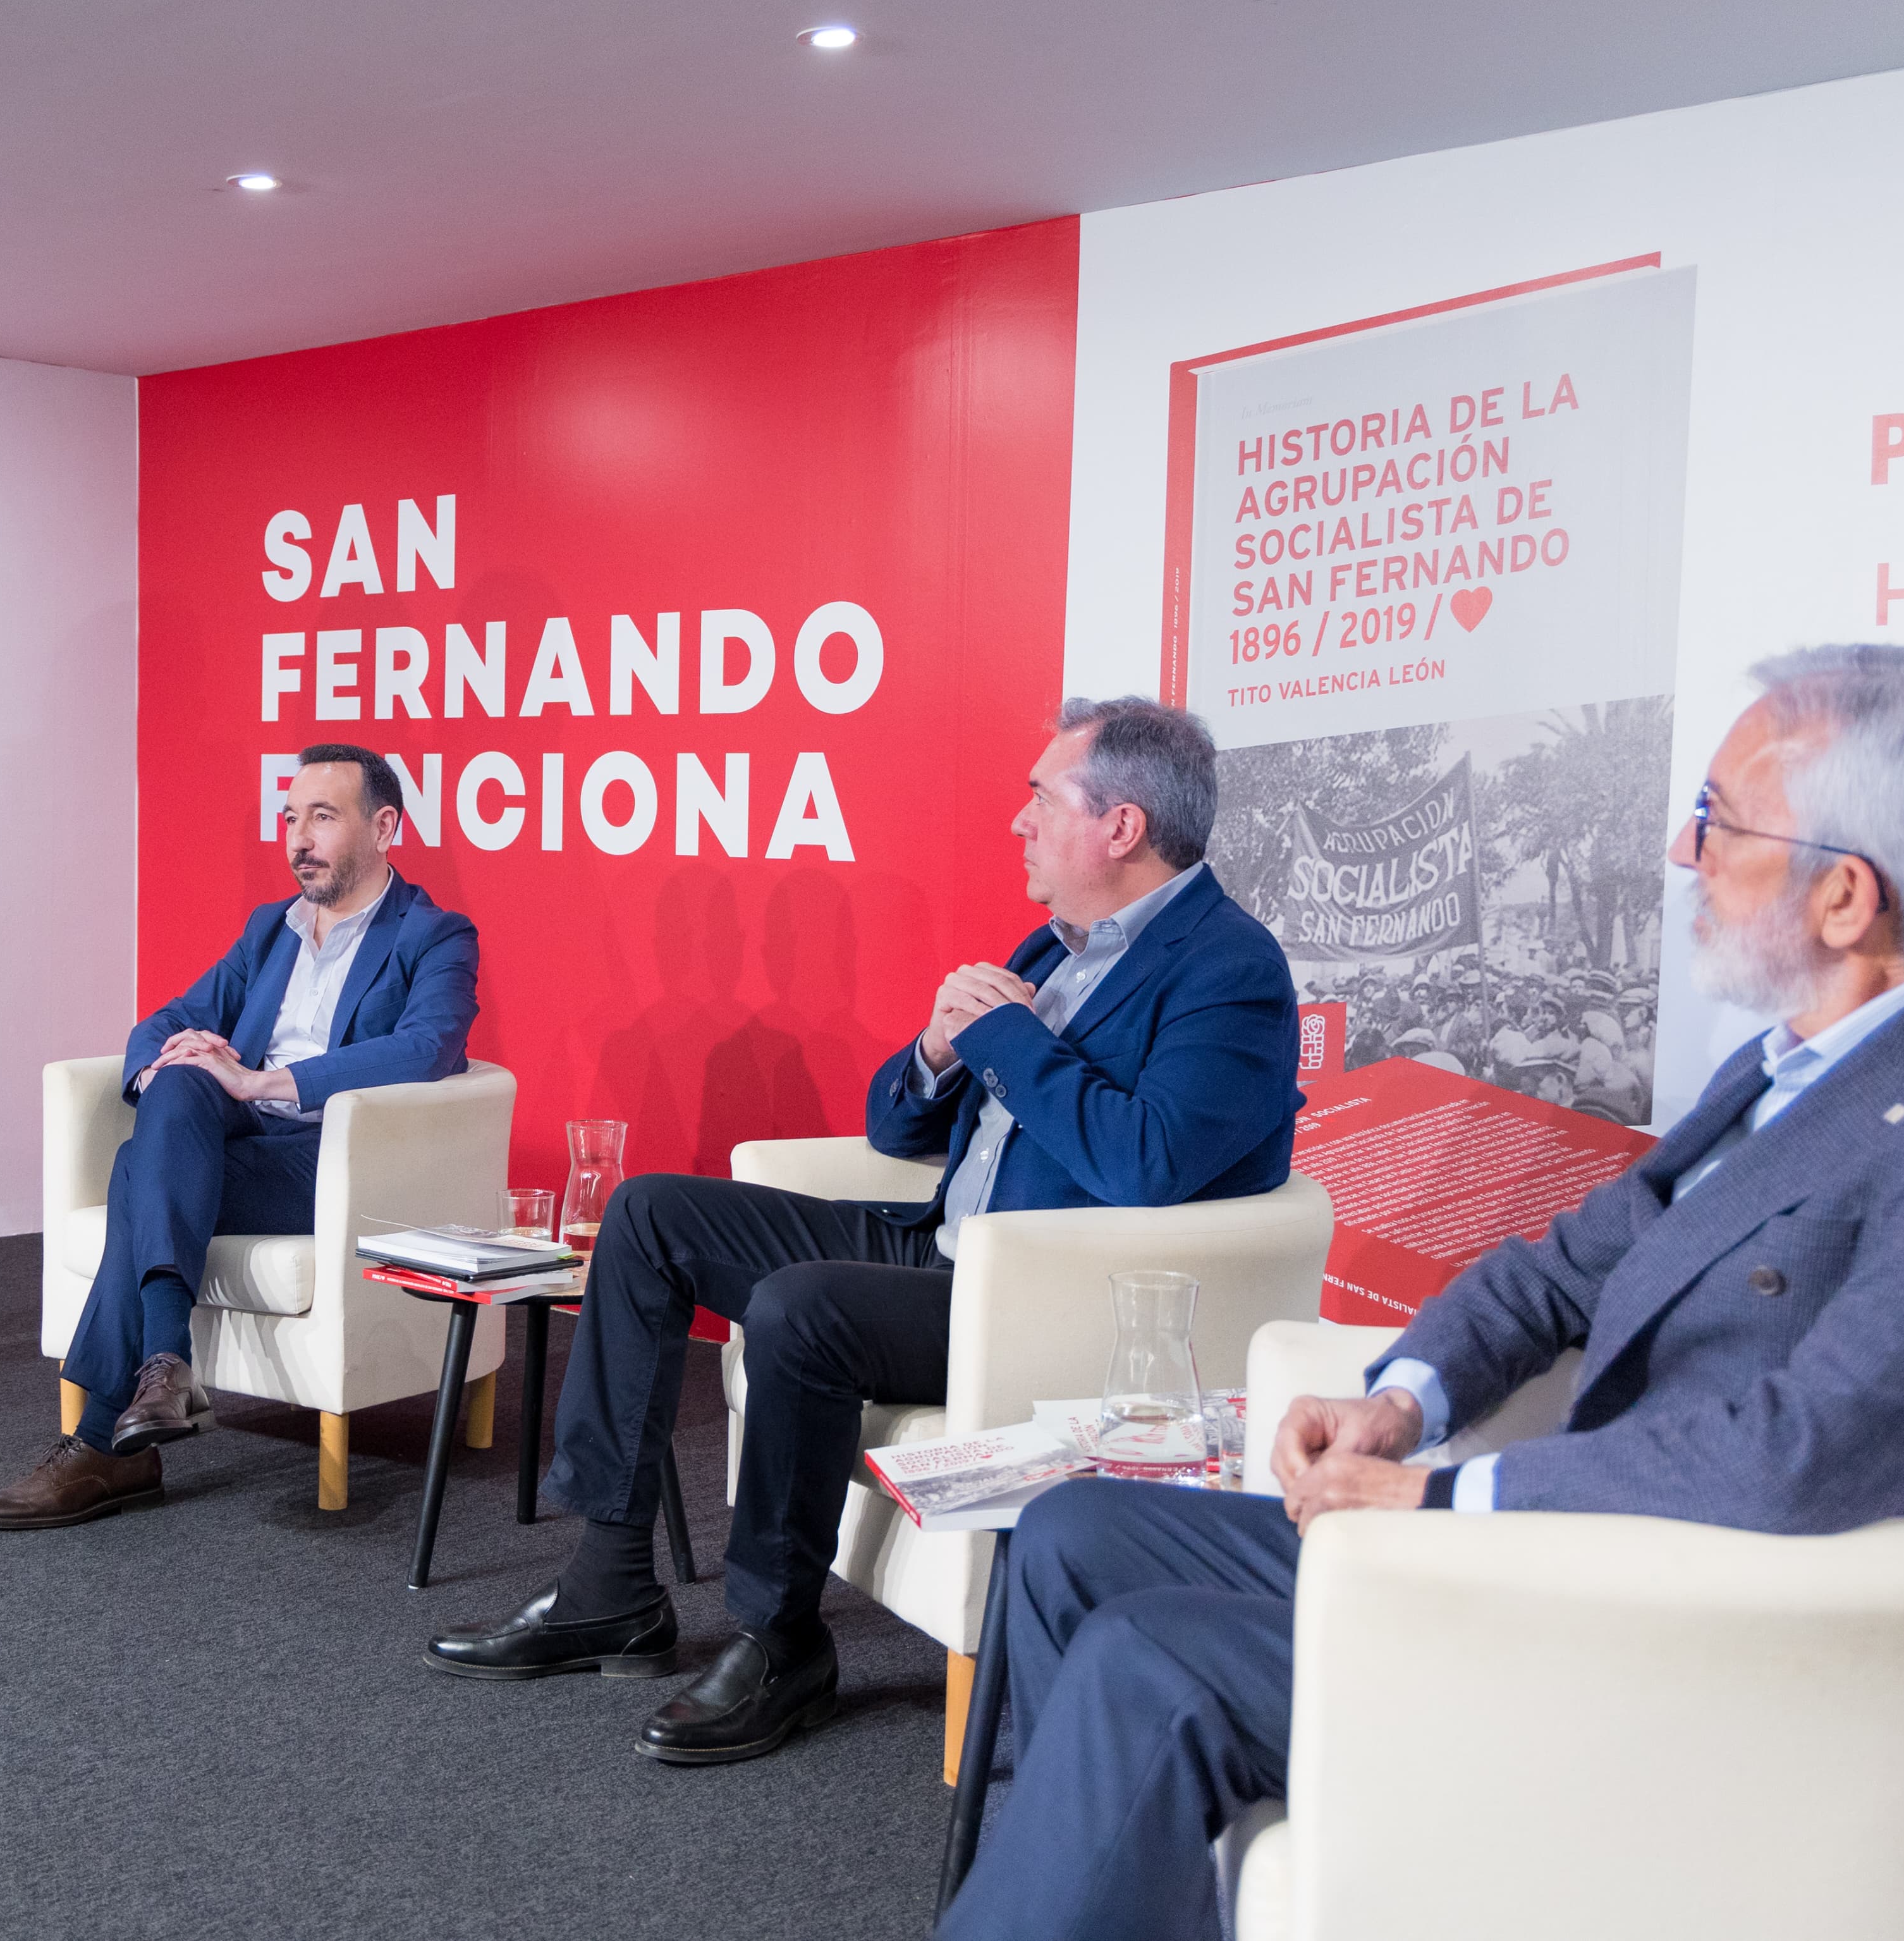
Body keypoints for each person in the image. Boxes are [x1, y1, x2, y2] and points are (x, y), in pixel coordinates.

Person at [939, 644, 1904, 1941]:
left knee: (1150, 1662)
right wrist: (1401, 1403)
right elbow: (1560, 1269)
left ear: (1845, 894)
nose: (1681, 848)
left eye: (1720, 818)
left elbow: (1807, 1449)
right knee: (1073, 1529)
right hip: (1565, 1550)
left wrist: (1445, 1496)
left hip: (1680, 1639)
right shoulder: (1788, 1068)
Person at [429, 697, 1302, 1766]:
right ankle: (611, 1585)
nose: (1019, 820)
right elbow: (897, 1128)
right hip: (940, 1246)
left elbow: (1149, 1160)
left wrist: (1010, 1037)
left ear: (1121, 826)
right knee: (653, 1213)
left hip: (1035, 1300)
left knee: (803, 1307)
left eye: (1041, 797)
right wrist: (938, 1050)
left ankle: (780, 1640)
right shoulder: (1053, 948)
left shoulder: (1231, 968)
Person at [0, 744, 479, 1528]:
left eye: (321, 817)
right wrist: (169, 1061)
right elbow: (166, 1020)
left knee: (138, 1169)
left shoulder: (434, 934)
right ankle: (164, 1369)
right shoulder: (271, 929)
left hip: (336, 1160)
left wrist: (260, 1081)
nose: (298, 838)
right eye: (290, 818)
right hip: (239, 1144)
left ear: (384, 827)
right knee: (178, 1082)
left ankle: (106, 1443)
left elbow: (427, 1047)